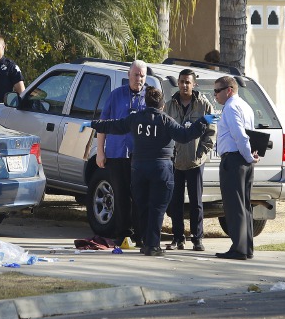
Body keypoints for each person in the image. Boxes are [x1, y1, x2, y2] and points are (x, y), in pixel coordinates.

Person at [81, 87, 217, 256]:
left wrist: (92, 124)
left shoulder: (135, 118)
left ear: (145, 103)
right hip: (161, 169)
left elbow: (114, 125)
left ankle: (145, 242)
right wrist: (203, 121)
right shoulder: (166, 121)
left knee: (142, 206)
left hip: (139, 169)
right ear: (162, 105)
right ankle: (153, 245)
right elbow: (185, 135)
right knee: (157, 208)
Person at [96, 60, 149, 246]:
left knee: (140, 196)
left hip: (141, 155)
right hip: (117, 153)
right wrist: (100, 152)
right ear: (128, 75)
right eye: (136, 75)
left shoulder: (150, 97)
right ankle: (122, 233)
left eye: (142, 75)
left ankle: (140, 235)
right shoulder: (116, 95)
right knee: (120, 194)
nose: (139, 79)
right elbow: (102, 125)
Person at [164, 69, 216, 252]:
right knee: (175, 202)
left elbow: (211, 133)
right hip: (175, 163)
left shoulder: (204, 105)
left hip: (195, 162)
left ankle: (197, 238)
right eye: (182, 82)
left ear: (194, 84)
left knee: (196, 202)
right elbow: (164, 131)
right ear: (177, 83)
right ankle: (178, 238)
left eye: (188, 82)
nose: (184, 85)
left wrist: (201, 154)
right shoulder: (169, 105)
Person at [214, 76, 259, 260]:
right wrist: (250, 156)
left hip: (234, 160)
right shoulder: (245, 106)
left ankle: (239, 248)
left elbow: (240, 135)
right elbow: (251, 135)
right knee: (244, 205)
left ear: (229, 90)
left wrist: (248, 155)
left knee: (234, 206)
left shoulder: (231, 107)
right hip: (243, 162)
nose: (215, 95)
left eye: (217, 91)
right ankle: (246, 247)